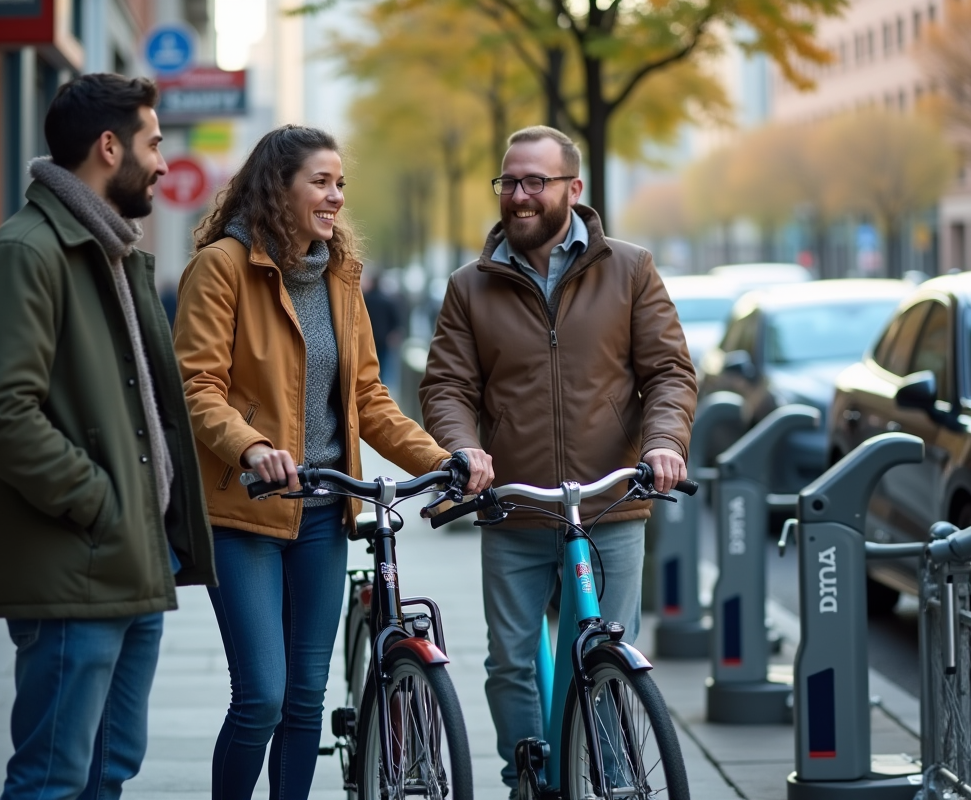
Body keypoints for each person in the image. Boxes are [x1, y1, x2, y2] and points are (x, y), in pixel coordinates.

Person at [171, 124, 492, 800]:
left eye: (340, 183)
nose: (336, 196)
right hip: (244, 511)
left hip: (320, 515)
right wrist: (253, 447)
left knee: (305, 698)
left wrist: (446, 458)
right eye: (321, 181)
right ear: (277, 187)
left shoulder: (340, 276)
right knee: (261, 694)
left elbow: (369, 399)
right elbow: (194, 387)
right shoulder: (223, 266)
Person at [418, 125, 698, 796]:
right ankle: (531, 777)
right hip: (513, 503)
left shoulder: (630, 269)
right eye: (509, 181)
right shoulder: (470, 285)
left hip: (608, 501)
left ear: (573, 189)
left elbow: (669, 373)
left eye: (534, 182)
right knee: (511, 661)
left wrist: (663, 444)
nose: (518, 195)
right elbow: (447, 386)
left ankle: (605, 776)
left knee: (600, 651)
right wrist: (463, 447)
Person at [0, 73, 216, 800]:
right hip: (77, 568)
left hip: (131, 562)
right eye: (154, 143)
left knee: (107, 773)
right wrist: (99, 500)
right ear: (110, 147)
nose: (164, 162)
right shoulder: (28, 253)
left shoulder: (110, 252)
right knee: (52, 779)